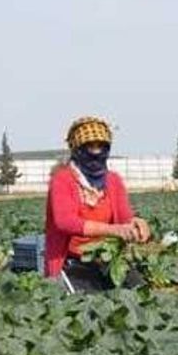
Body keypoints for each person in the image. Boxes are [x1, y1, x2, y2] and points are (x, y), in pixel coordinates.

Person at [45, 116, 152, 292]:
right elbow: (65, 222)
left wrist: (136, 223)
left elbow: (124, 218)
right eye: (90, 146)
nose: (96, 152)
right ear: (77, 149)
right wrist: (113, 230)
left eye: (101, 146)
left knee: (140, 293)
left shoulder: (113, 180)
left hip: (107, 260)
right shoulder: (62, 180)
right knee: (86, 304)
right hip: (72, 262)